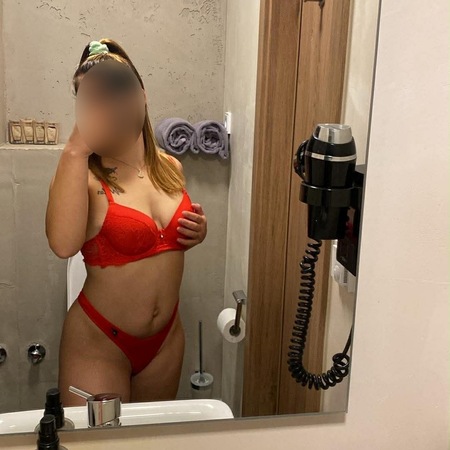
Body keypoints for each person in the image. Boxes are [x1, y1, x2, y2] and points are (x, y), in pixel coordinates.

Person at [45, 39, 207, 405]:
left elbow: (166, 240)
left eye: (118, 88)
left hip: (166, 341)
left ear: (142, 95)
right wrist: (76, 148)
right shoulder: (83, 175)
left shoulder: (170, 167)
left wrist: (196, 232)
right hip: (99, 342)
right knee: (98, 438)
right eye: (93, 96)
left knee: (150, 435)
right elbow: (63, 245)